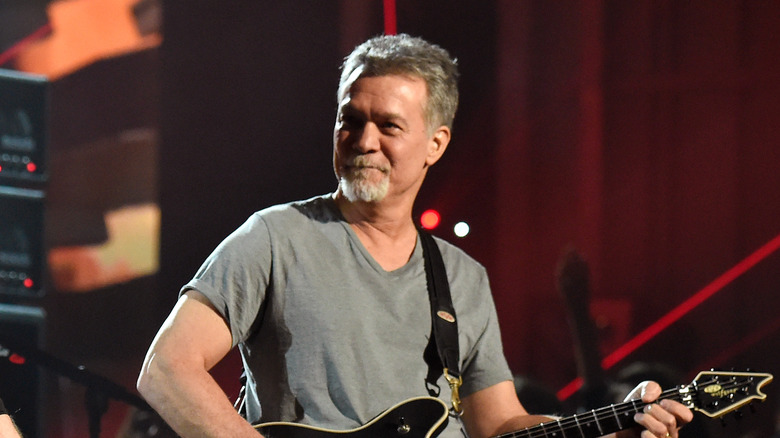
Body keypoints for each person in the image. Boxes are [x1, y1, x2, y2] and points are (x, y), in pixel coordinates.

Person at [137, 33, 693, 438]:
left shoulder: (461, 278)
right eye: (350, 119)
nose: (363, 140)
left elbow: (498, 424)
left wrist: (607, 427)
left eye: (389, 126)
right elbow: (166, 370)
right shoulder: (276, 237)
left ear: (436, 143)